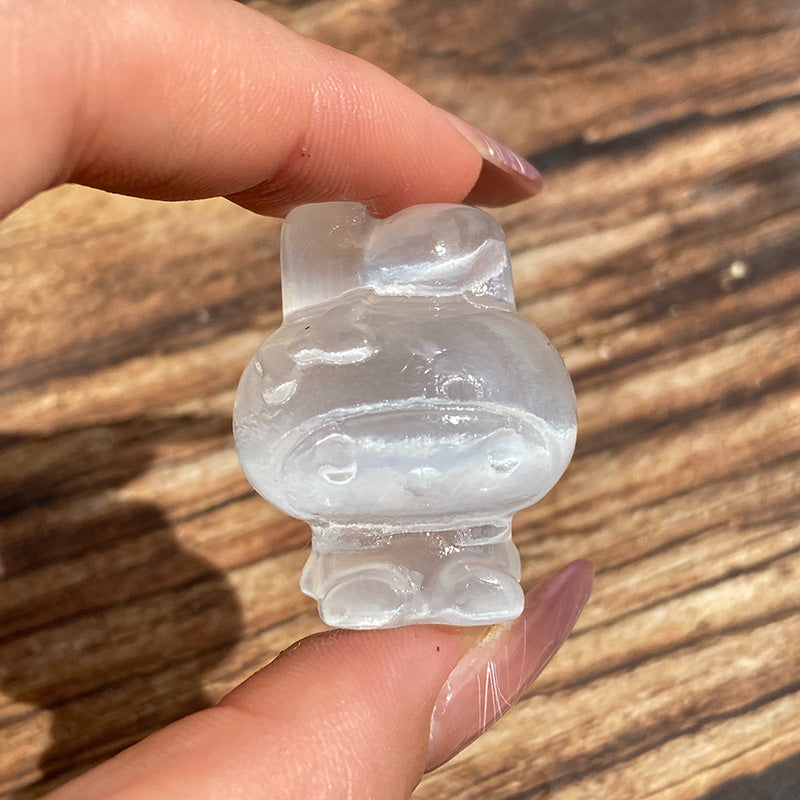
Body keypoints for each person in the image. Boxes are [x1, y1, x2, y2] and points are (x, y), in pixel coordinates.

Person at [1, 1, 594, 797]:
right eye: (344, 456)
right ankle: (366, 580)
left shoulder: (480, 316)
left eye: (487, 444)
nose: (416, 471)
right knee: (364, 571)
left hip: (477, 529)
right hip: (351, 539)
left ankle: (469, 573)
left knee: (475, 562)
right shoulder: (322, 328)